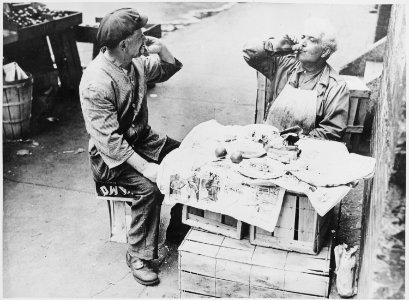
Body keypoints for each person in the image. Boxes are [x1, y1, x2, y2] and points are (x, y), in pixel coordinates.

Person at [79, 8, 183, 286]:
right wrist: (147, 167)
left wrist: (163, 50)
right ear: (124, 44)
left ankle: (177, 227)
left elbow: (165, 70)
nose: (146, 39)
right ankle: (137, 254)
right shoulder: (96, 83)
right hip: (110, 158)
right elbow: (111, 143)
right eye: (140, 36)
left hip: (143, 141)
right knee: (148, 188)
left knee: (186, 157)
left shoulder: (132, 62)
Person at [243, 18, 350, 141]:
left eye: (312, 40)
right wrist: (278, 45)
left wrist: (291, 142)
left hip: (304, 149)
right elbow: (249, 52)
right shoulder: (285, 64)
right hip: (268, 141)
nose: (303, 43)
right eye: (303, 37)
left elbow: (332, 131)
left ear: (325, 51)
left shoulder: (336, 86)